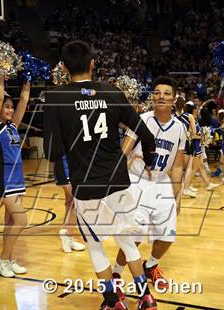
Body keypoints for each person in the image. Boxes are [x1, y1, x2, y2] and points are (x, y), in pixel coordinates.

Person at [43, 40, 157, 310]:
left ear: (63, 67)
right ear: (93, 64)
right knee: (127, 242)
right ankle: (146, 298)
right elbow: (144, 132)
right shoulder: (111, 91)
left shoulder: (55, 98)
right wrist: (150, 159)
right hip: (118, 180)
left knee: (95, 246)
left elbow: (51, 151)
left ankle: (112, 303)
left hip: (86, 186)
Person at [113, 76, 185, 289]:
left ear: (174, 99)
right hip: (138, 181)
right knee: (133, 235)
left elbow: (178, 165)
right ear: (152, 97)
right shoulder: (141, 120)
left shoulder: (179, 128)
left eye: (166, 93)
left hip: (161, 182)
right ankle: (116, 273)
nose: (161, 97)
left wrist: (177, 194)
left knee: (168, 235)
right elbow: (124, 151)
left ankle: (151, 265)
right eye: (157, 93)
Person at [0, 77, 31, 278]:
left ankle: (9, 259)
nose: (10, 110)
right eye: (7, 107)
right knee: (21, 220)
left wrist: (27, 82)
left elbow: (24, 101)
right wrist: (1, 77)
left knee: (11, 222)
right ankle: (3, 258)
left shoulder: (12, 126)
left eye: (11, 107)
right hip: (4, 178)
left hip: (18, 178)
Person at [54, 155, 86, 253]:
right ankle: (67, 234)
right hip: (64, 167)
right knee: (75, 202)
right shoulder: (57, 140)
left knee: (70, 203)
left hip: (73, 166)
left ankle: (68, 236)